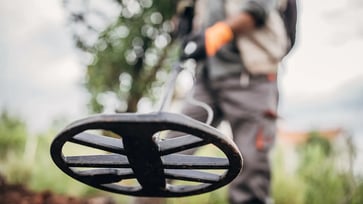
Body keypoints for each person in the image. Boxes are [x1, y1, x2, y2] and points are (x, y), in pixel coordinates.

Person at [173, 0, 296, 203]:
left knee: (251, 168)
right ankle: (148, 196)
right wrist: (184, 20)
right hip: (205, 79)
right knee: (167, 153)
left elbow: (259, 7)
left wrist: (218, 34)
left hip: (252, 76)